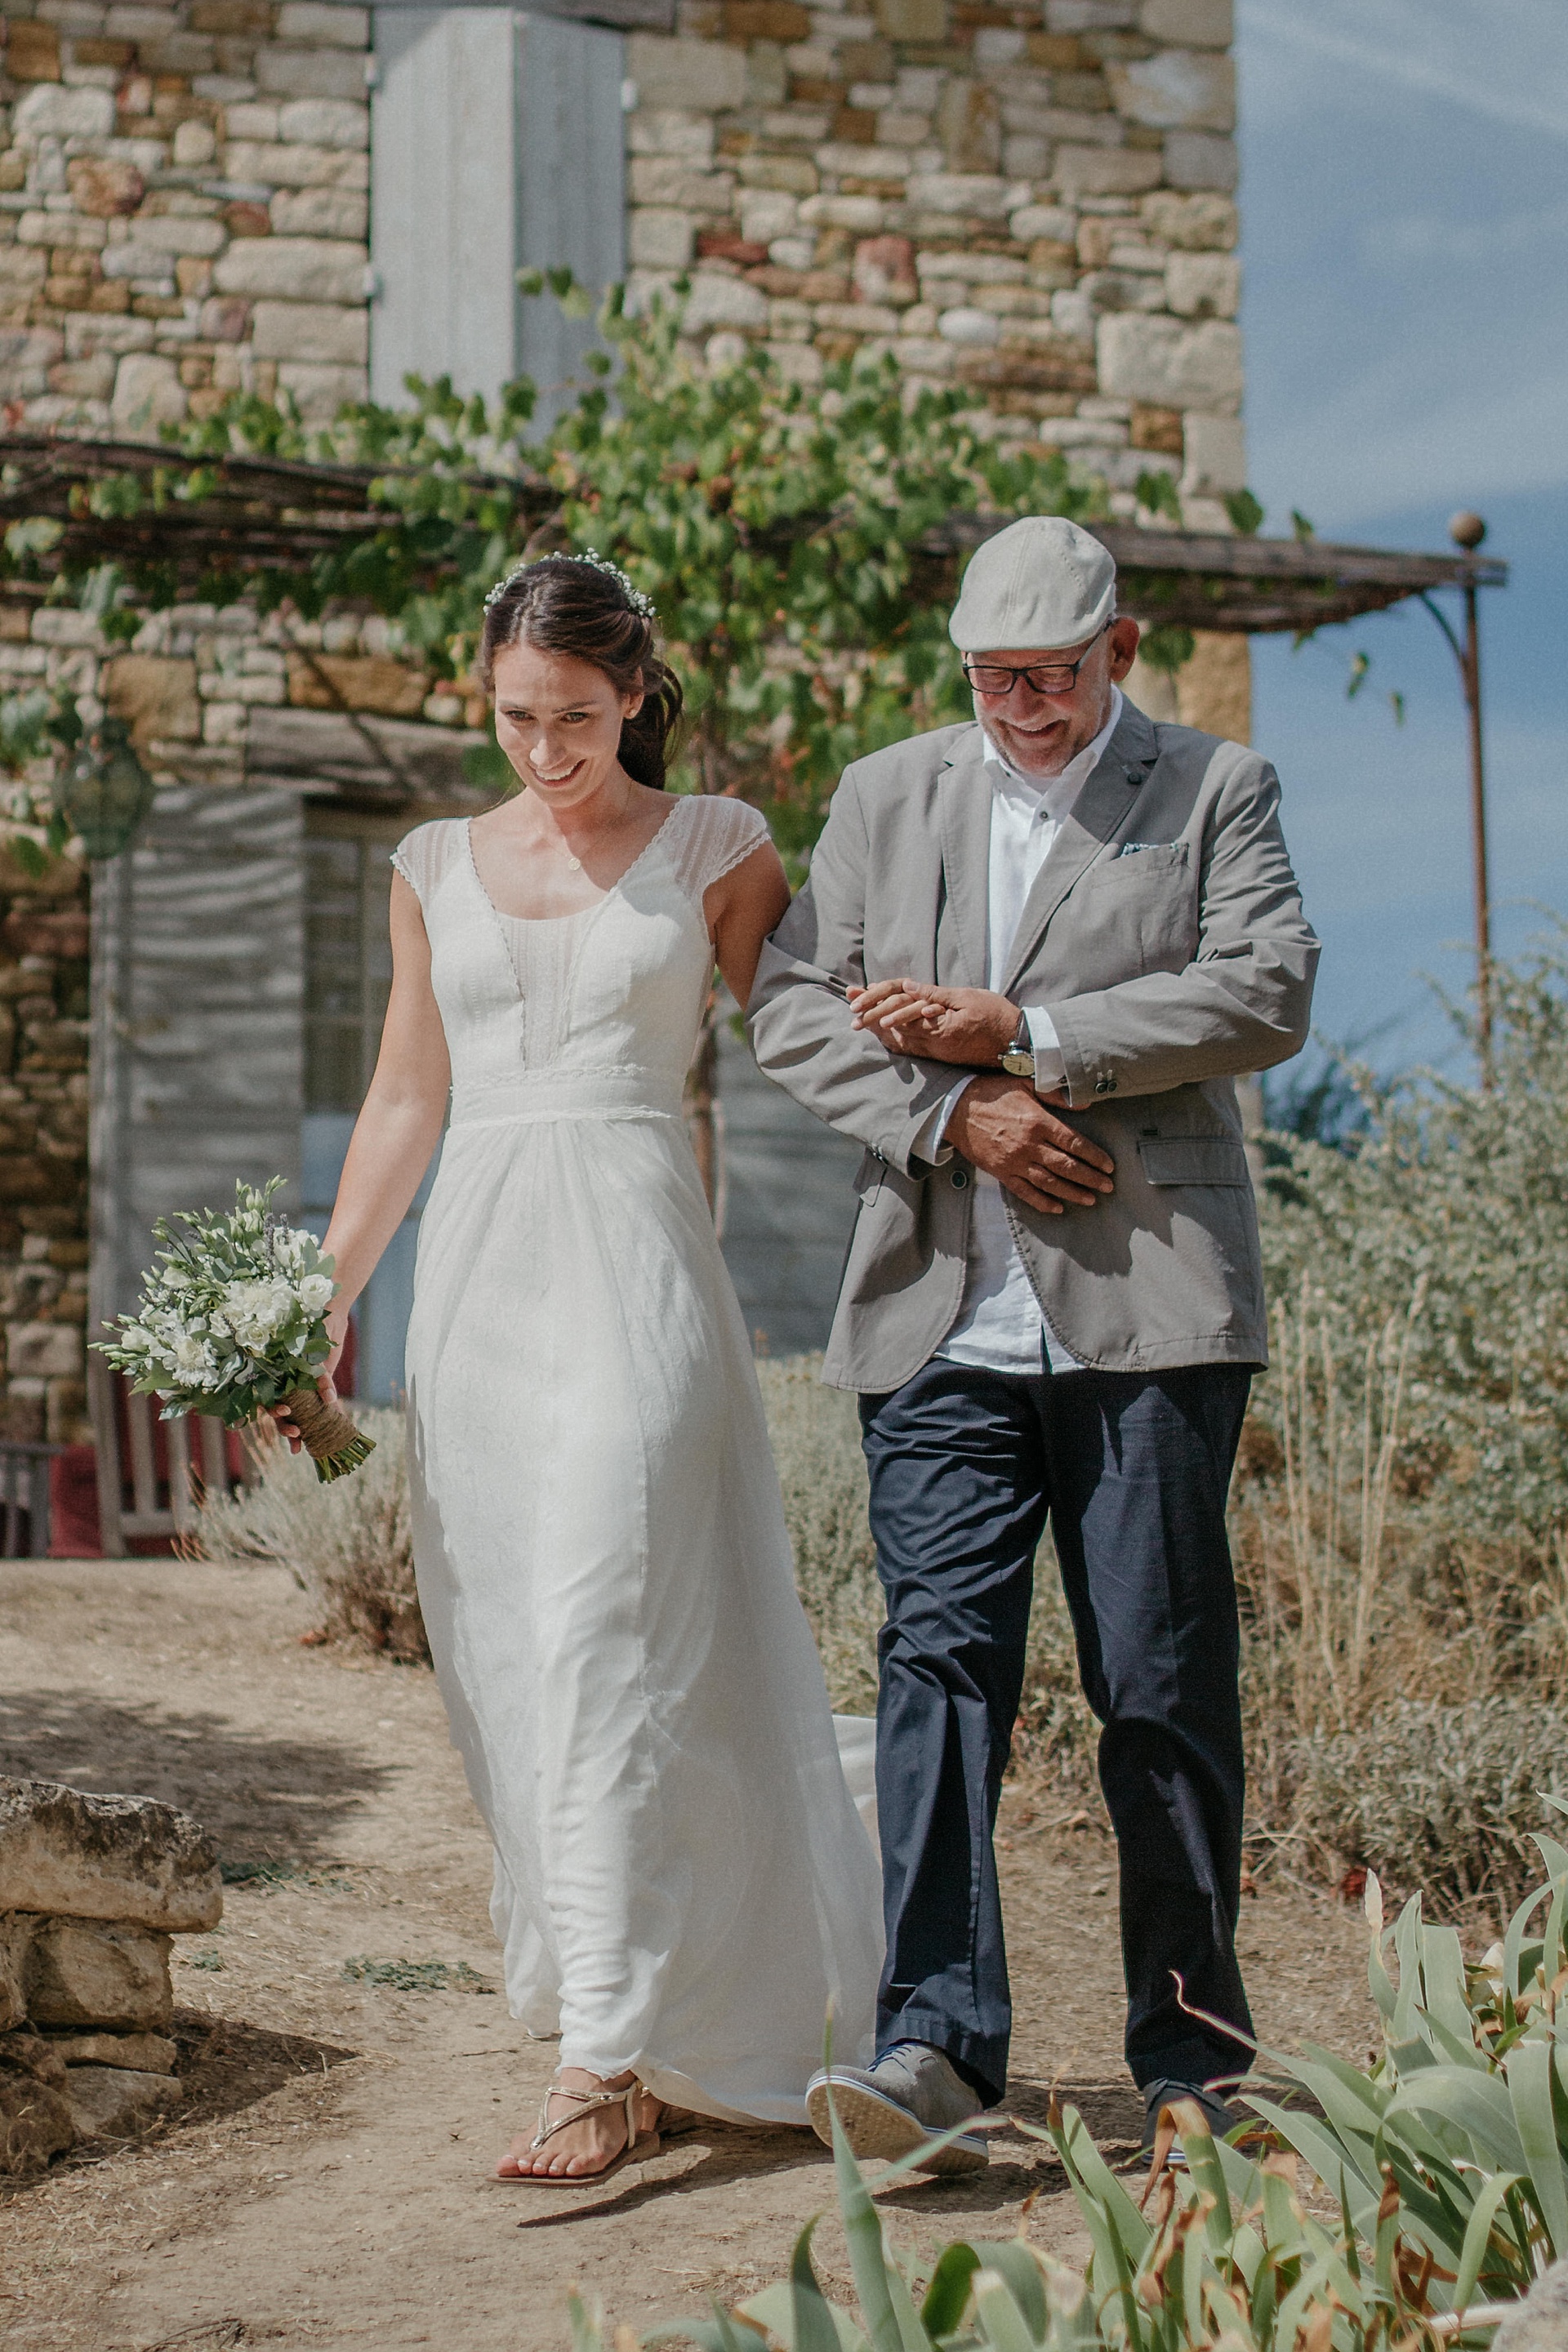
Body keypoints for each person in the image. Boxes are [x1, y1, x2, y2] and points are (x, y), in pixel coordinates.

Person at [277, 554, 883, 2185]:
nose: (545, 749)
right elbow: (407, 1097)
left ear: (636, 698)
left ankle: (602, 2055)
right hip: (476, 1283)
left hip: (636, 1263)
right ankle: (648, 1996)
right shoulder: (431, 863)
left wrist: (957, 1094)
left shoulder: (720, 846)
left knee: (614, 1620)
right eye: (515, 717)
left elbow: (807, 1032)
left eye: (578, 717)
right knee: (510, 1661)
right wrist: (322, 1302)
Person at [748, 514, 1319, 2172]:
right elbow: (795, 1006)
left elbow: (1269, 987)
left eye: (1055, 678)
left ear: (1119, 654)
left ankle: (1195, 2059)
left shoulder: (1220, 790)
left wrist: (1034, 1037)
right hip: (938, 1316)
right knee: (937, 1671)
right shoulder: (883, 793)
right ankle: (934, 2044)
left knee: (1159, 1684)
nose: (1025, 708)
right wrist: (959, 1117)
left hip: (1152, 1316)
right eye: (996, 680)